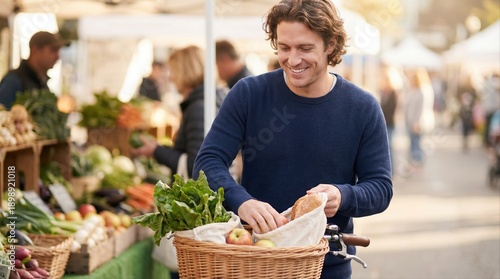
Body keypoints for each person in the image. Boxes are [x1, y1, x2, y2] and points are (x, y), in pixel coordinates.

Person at [193, 1, 393, 278]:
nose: (293, 59)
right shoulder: (249, 93)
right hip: (254, 260)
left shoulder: (362, 107)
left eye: (305, 48)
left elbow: (381, 188)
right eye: (284, 47)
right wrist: (241, 201)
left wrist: (343, 195)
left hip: (326, 265)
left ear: (331, 45)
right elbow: (207, 162)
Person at [131, 45, 225, 179]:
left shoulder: (199, 107)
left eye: (173, 71)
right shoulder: (209, 100)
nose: (171, 78)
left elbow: (197, 165)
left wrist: (156, 151)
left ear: (186, 72)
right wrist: (159, 148)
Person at [0, 31, 69, 109]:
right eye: (53, 50)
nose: (57, 56)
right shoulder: (13, 81)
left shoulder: (41, 82)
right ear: (35, 50)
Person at [404, 71, 424, 164]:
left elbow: (420, 108)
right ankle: (413, 159)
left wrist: (417, 121)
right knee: (412, 141)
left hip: (416, 121)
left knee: (417, 141)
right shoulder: (410, 91)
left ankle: (419, 159)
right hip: (409, 120)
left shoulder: (420, 92)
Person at [379, 69, 398, 171]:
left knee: (389, 147)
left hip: (390, 122)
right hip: (384, 122)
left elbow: (392, 108)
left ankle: (392, 170)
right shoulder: (383, 92)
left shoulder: (394, 93)